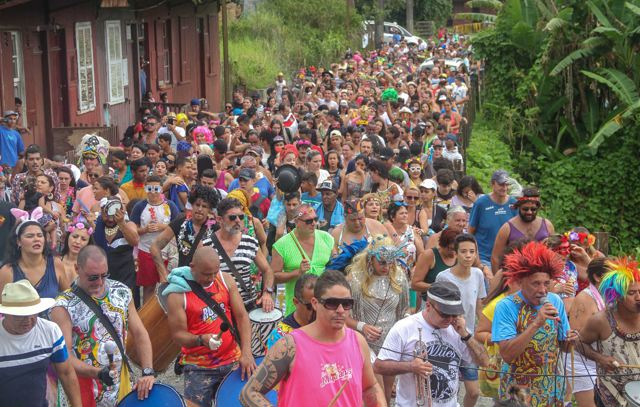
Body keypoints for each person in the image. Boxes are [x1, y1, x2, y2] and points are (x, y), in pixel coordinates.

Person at [240, 270, 386, 406]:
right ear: (315, 303)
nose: (340, 310)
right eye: (332, 303)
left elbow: (370, 387)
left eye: (347, 304)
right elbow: (249, 392)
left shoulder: (358, 341)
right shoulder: (289, 346)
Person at [50, 246, 155, 406]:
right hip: (82, 389)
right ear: (77, 269)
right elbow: (65, 356)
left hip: (120, 387)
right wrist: (97, 373)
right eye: (92, 277)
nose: (99, 282)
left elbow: (140, 333)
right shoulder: (63, 306)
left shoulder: (122, 292)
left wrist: (147, 370)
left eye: (104, 275)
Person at [374, 281, 489, 407]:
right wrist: (411, 366)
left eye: (454, 314)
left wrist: (466, 335)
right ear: (428, 306)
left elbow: (484, 362)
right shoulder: (404, 327)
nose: (450, 319)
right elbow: (379, 366)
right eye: (445, 314)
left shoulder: (458, 329)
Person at [166, 247, 256, 407]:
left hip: (232, 360)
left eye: (215, 272)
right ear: (193, 267)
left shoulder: (225, 280)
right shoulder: (178, 295)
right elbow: (178, 335)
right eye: (206, 274)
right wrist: (201, 339)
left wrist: (247, 352)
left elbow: (242, 317)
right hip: (198, 367)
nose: (212, 278)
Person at [491, 241, 578, 406]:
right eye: (535, 283)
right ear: (521, 282)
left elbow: (563, 347)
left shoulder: (555, 301)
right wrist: (536, 323)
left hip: (551, 386)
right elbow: (508, 355)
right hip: (518, 391)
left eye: (546, 283)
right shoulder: (506, 306)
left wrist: (570, 341)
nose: (543, 290)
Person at [346, 236, 410, 402]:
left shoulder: (400, 278)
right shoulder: (356, 279)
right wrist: (362, 326)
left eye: (391, 262)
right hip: (366, 344)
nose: (387, 267)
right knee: (376, 392)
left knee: (387, 394)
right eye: (382, 262)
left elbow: (404, 310)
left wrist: (407, 325)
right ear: (371, 258)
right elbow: (343, 317)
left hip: (391, 344)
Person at [0, 280, 82, 407]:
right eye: (20, 315)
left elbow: (66, 373)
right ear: (5, 313)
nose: (28, 320)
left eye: (33, 313)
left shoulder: (50, 331)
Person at [576, 258, 640, 406]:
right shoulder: (601, 320)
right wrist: (600, 358)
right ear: (617, 296)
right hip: (611, 395)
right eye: (631, 293)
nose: (638, 298)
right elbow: (578, 342)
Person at [435, 233, 486, 407]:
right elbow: (437, 307)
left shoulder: (478, 274)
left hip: (468, 338)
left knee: (474, 391)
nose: (468, 255)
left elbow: (479, 305)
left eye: (472, 251)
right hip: (447, 337)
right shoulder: (443, 277)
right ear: (455, 254)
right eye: (464, 251)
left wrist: (485, 330)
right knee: (449, 386)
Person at [202, 197, 275, 312]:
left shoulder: (250, 242)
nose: (237, 220)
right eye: (232, 217)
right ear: (219, 219)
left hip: (248, 306)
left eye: (241, 217)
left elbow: (267, 270)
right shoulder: (207, 245)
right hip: (220, 308)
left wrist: (267, 293)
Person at [272, 204, 335, 315]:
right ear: (296, 222)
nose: (314, 224)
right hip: (297, 308)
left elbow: (335, 265)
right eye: (308, 221)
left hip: (325, 305)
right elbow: (274, 277)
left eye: (315, 219)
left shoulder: (327, 238)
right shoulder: (281, 245)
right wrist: (297, 272)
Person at [150, 185, 220, 279]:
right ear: (192, 205)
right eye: (197, 205)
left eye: (204, 206)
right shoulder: (180, 223)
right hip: (183, 280)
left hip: (208, 281)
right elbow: (155, 246)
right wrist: (163, 274)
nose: (200, 209)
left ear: (210, 209)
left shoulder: (216, 228)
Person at [130, 175, 180, 303]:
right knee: (149, 287)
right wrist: (145, 230)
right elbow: (133, 229)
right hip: (146, 251)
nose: (153, 192)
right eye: (149, 188)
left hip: (167, 252)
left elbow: (179, 225)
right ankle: (147, 316)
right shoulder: (140, 206)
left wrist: (163, 227)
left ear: (161, 189)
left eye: (156, 189)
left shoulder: (170, 205)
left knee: (168, 285)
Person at [568, 257, 608, 407]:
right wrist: (601, 359)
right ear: (597, 277)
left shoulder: (611, 296)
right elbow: (577, 339)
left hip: (602, 362)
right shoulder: (584, 299)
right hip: (583, 363)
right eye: (613, 275)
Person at [0, 213, 70, 300]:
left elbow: (69, 298)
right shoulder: (7, 271)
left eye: (40, 235)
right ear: (18, 241)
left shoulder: (56, 263)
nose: (36, 239)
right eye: (30, 236)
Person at [491, 187, 554, 273]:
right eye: (525, 209)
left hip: (541, 276)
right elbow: (495, 257)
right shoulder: (507, 228)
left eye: (533, 209)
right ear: (518, 207)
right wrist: (498, 280)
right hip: (516, 276)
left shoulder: (547, 225)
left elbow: (554, 252)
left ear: (538, 208)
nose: (529, 212)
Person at [469, 170, 517, 266]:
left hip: (508, 258)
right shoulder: (481, 203)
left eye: (506, 185)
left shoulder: (514, 203)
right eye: (501, 184)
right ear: (493, 184)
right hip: (485, 257)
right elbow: (471, 230)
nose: (504, 188)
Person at [93, 196, 139, 293]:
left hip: (125, 277)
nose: (110, 220)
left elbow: (134, 241)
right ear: (102, 211)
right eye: (106, 215)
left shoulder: (128, 225)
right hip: (103, 277)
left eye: (113, 215)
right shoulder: (97, 226)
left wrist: (121, 223)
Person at [266, 273, 318, 348]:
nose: (316, 310)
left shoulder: (327, 326)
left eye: (321, 304)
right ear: (296, 302)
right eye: (310, 306)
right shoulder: (280, 336)